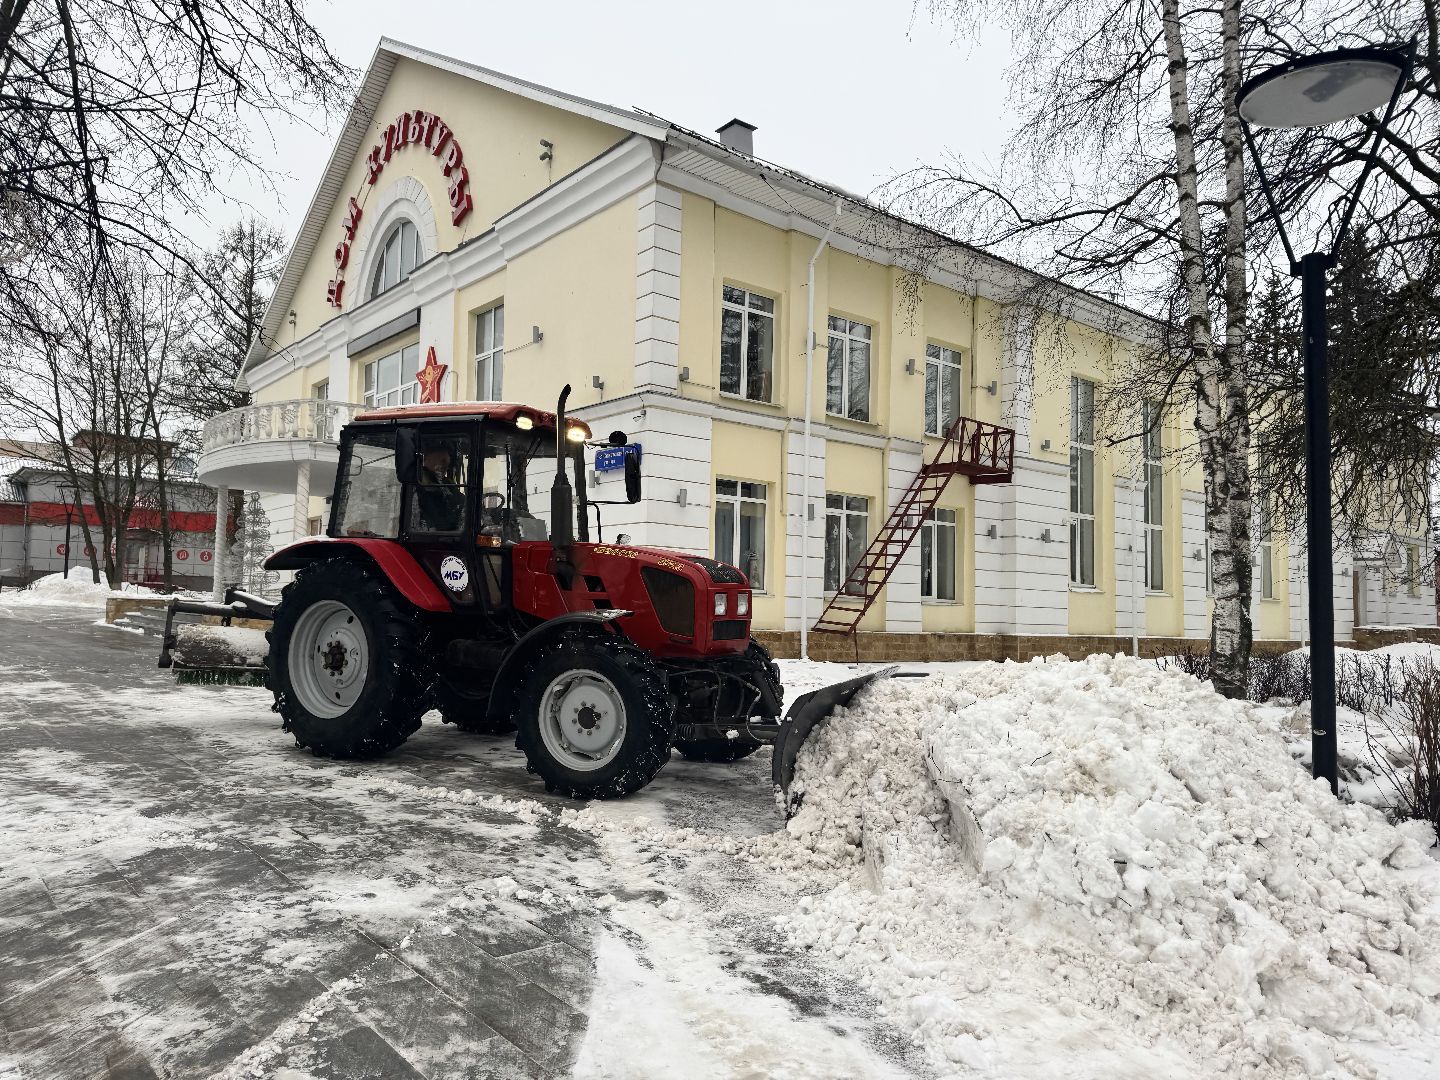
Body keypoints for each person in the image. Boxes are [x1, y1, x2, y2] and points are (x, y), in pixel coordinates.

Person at [414, 442, 465, 531]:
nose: (445, 467)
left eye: (447, 464)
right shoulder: (418, 484)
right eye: (442, 462)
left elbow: (461, 500)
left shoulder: (446, 484)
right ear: (429, 459)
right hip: (431, 534)